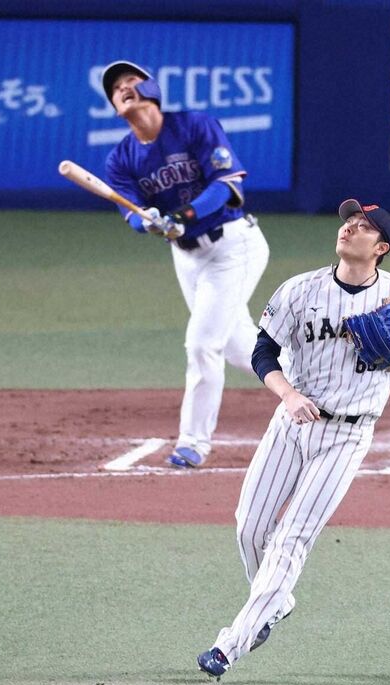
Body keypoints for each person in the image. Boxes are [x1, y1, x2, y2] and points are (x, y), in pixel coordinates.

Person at [196, 198, 390, 679]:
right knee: (250, 528)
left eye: (363, 225)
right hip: (291, 424)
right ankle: (276, 602)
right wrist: (287, 394)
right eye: (349, 221)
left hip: (347, 435)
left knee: (291, 538)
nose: (349, 228)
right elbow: (264, 351)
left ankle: (230, 644)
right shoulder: (300, 289)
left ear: (381, 247)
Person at [101, 60, 270, 467]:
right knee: (239, 350)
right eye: (115, 88)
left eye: (131, 80)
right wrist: (149, 222)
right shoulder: (120, 160)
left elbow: (227, 185)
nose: (123, 88)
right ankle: (317, 380)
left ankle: (193, 443)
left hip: (233, 246)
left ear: (152, 89)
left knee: (201, 344)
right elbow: (133, 215)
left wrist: (183, 216)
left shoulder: (195, 125)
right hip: (188, 259)